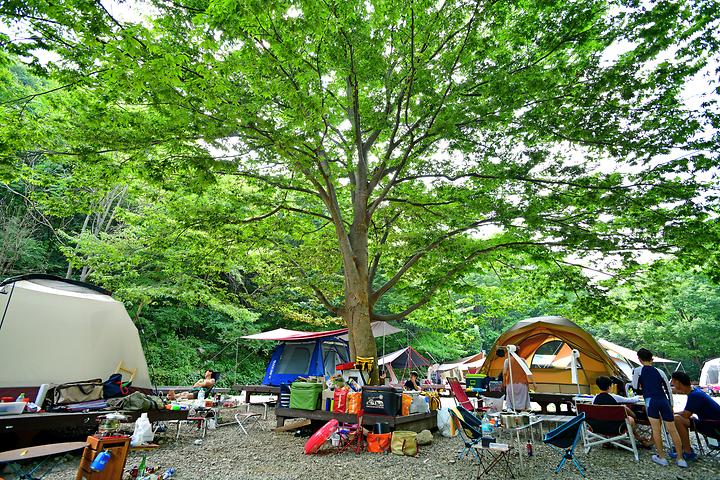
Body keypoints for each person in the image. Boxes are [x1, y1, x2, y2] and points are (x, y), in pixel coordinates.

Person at [632, 348, 686, 468]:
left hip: (651, 401)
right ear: (652, 359)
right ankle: (681, 458)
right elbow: (668, 389)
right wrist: (671, 405)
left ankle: (662, 457)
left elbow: (635, 388)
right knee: (672, 430)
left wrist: (643, 388)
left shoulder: (637, 371)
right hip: (664, 401)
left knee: (656, 430)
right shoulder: (660, 371)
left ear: (639, 359)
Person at [671, 371, 720, 461]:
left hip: (715, 427)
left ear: (678, 382)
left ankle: (687, 452)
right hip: (712, 423)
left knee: (677, 419)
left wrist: (672, 413)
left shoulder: (694, 395)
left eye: (673, 381)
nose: (672, 383)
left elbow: (686, 414)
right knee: (679, 418)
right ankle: (684, 448)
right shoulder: (695, 391)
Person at [593, 375, 652, 447]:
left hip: (599, 426)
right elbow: (631, 400)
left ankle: (607, 440)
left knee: (621, 410)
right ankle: (634, 438)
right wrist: (638, 397)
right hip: (616, 426)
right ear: (609, 386)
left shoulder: (594, 398)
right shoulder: (614, 397)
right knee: (630, 418)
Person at [497, 347, 536, 411]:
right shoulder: (522, 360)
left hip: (511, 384)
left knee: (510, 402)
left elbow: (504, 373)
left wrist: (504, 383)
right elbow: (528, 372)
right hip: (522, 384)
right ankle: (523, 412)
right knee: (522, 402)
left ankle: (510, 410)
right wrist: (534, 383)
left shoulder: (507, 361)